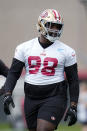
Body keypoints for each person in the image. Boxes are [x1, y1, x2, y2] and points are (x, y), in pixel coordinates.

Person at [3, 9, 79, 131]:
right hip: (31, 97)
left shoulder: (67, 51)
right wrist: (8, 93)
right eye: (51, 25)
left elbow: (73, 80)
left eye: (57, 26)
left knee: (43, 129)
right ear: (41, 24)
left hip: (55, 96)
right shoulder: (24, 48)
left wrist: (74, 105)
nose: (55, 29)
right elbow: (13, 73)